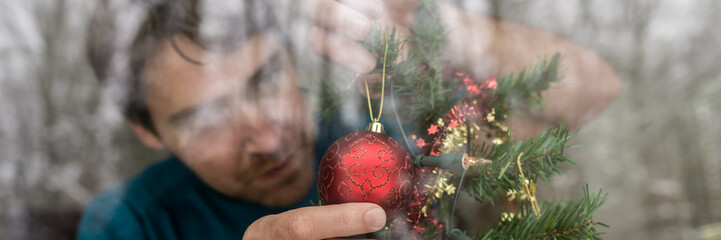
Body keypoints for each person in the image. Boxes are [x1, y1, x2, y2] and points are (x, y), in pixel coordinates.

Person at [78, 0, 620, 239]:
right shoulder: (132, 225)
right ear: (146, 130)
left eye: (265, 77)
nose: (267, 137)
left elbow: (594, 89)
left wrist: (436, 25)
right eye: (206, 120)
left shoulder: (381, 125)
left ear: (291, 54)